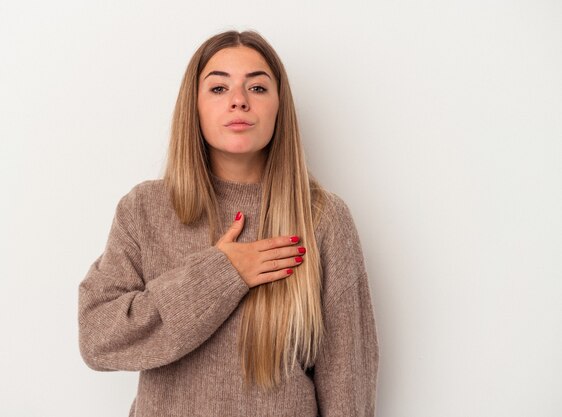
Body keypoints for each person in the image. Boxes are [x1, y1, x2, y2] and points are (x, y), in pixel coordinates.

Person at [78, 30, 379, 416]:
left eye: (257, 87)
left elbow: (347, 385)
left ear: (279, 107)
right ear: (195, 106)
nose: (239, 100)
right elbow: (97, 339)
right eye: (219, 89)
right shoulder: (144, 209)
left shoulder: (323, 218)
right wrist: (222, 274)